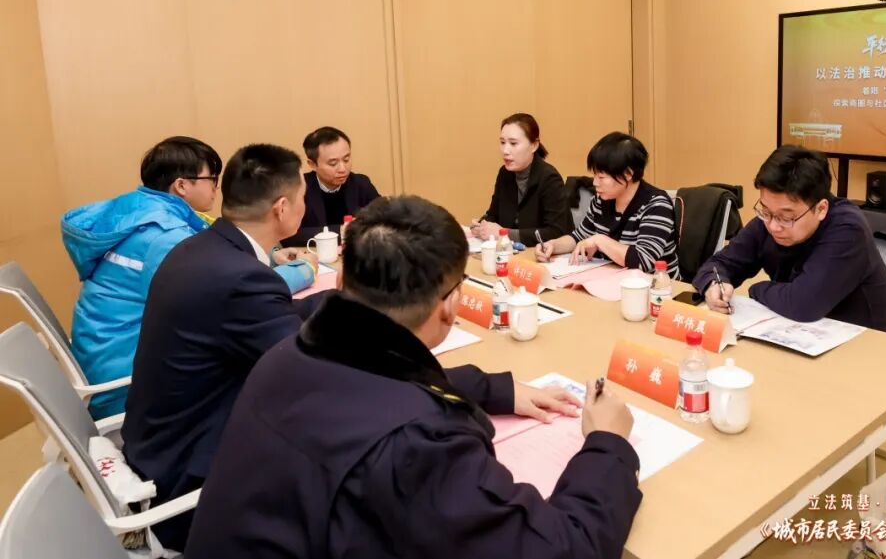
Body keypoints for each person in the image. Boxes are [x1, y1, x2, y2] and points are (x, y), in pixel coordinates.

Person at [185, 195, 642, 559]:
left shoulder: (290, 354)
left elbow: (378, 383)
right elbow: (562, 549)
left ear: (341, 282)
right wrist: (608, 444)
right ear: (451, 305)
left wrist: (495, 390)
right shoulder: (418, 446)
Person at [122, 144, 326, 551]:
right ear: (282, 208)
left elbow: (268, 316)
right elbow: (309, 373)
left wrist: (341, 303)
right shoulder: (241, 277)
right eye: (303, 197)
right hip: (191, 484)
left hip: (158, 446)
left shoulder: (202, 248)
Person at [60, 137, 315, 420]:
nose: (216, 187)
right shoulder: (165, 236)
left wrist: (270, 256)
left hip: (111, 348)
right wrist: (304, 270)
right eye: (211, 178)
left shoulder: (143, 213)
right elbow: (232, 289)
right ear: (181, 185)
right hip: (129, 380)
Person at [692, 145, 886, 334]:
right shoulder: (769, 220)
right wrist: (713, 284)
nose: (773, 226)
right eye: (766, 211)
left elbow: (804, 304)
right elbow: (718, 264)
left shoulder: (848, 229)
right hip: (802, 336)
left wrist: (756, 289)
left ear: (821, 209)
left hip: (869, 346)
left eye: (787, 218)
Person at [536, 132, 679, 278]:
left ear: (628, 174)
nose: (595, 183)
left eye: (601, 177)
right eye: (595, 175)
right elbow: (579, 237)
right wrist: (553, 245)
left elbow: (643, 261)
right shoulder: (602, 200)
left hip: (657, 286)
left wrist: (599, 240)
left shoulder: (657, 205)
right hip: (613, 279)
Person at [470, 113, 572, 246]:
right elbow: (493, 215)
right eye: (502, 142)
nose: (505, 150)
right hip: (512, 250)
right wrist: (482, 226)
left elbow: (556, 232)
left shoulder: (549, 178)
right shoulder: (505, 173)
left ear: (534, 145)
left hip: (545, 253)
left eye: (513, 143)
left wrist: (505, 233)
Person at [282, 126, 380, 246]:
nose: (342, 169)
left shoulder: (361, 184)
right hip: (314, 255)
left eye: (346, 159)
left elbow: (386, 221)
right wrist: (341, 231)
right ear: (312, 164)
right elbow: (287, 235)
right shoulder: (298, 189)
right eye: (333, 163)